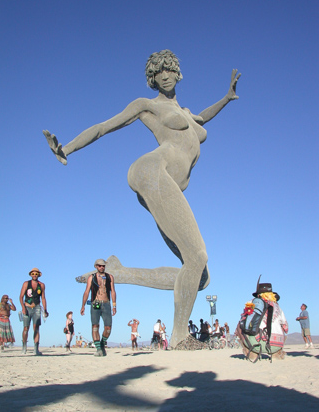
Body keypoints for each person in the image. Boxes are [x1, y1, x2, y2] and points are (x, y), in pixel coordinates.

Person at [43, 49, 240, 348]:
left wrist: (226, 98)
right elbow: (104, 127)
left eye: (169, 69)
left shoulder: (187, 113)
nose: (164, 74)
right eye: (157, 72)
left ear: (177, 72)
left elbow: (203, 118)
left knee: (199, 275)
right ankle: (180, 337)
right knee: (197, 256)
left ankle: (119, 273)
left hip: (164, 187)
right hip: (151, 171)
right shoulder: (147, 105)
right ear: (152, 79)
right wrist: (66, 149)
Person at [236, 276, 288, 361]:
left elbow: (244, 320)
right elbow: (286, 328)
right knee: (281, 327)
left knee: (239, 326)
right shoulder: (277, 307)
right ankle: (276, 354)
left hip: (256, 343)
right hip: (276, 345)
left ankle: (252, 353)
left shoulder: (252, 303)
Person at [80, 259, 116, 357]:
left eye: (103, 266)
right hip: (95, 303)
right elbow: (87, 291)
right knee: (95, 326)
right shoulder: (91, 277)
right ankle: (99, 349)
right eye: (99, 266)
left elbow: (113, 291)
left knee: (108, 327)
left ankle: (102, 342)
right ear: (96, 266)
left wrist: (114, 305)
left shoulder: (110, 277)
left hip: (106, 303)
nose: (102, 267)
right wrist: (83, 305)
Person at [19, 268, 48, 355]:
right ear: (31, 275)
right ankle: (24, 347)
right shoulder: (26, 284)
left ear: (38, 275)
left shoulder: (41, 285)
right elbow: (21, 296)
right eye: (33, 273)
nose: (34, 275)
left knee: (36, 328)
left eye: (36, 273)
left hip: (37, 307)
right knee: (25, 328)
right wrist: (23, 307)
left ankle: (36, 348)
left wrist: (45, 310)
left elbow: (43, 298)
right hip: (27, 307)